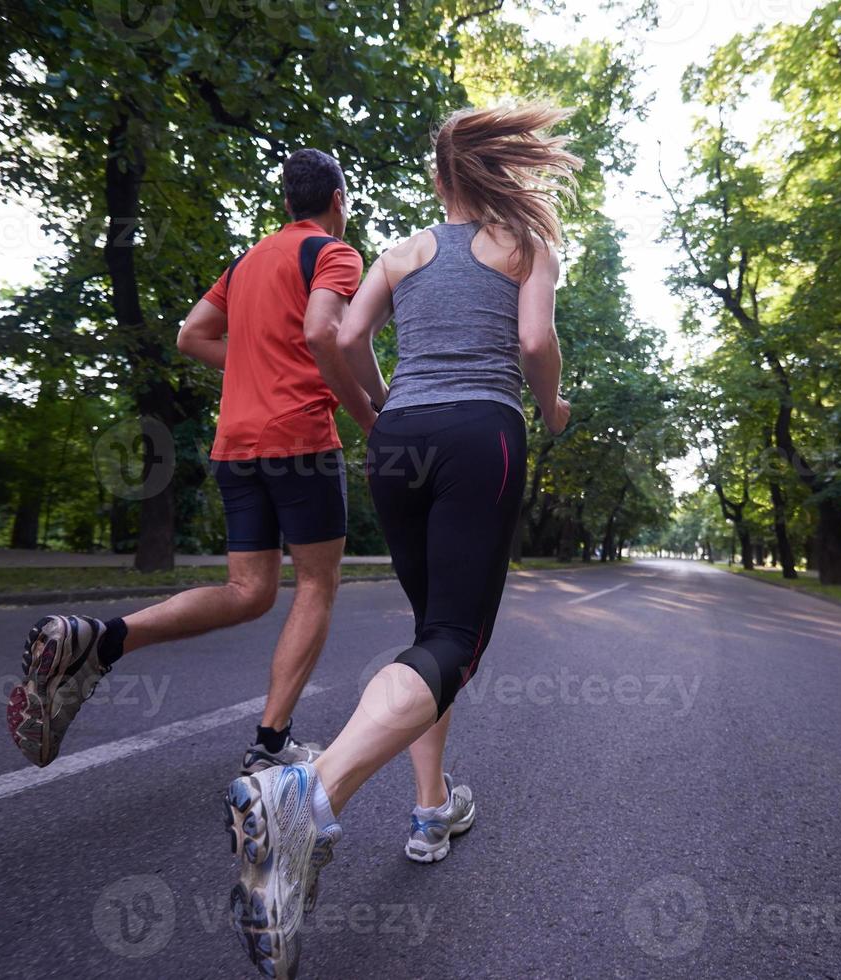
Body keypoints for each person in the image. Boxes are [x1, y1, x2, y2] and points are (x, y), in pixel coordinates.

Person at [224, 103, 579, 980]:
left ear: (436, 179)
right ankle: (311, 792)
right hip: (478, 436)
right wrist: (554, 404)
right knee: (457, 641)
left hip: (398, 443)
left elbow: (340, 338)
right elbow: (534, 338)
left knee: (431, 635)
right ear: (499, 172)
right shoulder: (527, 246)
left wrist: (378, 407)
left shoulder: (398, 253)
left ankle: (429, 809)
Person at [6, 148, 377, 776]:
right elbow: (322, 333)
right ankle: (271, 743)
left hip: (235, 445)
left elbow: (191, 336)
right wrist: (369, 416)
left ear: (286, 203)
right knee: (316, 583)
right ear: (338, 201)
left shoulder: (247, 262)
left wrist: (257, 363)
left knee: (250, 591)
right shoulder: (334, 253)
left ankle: (102, 638)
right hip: (300, 441)